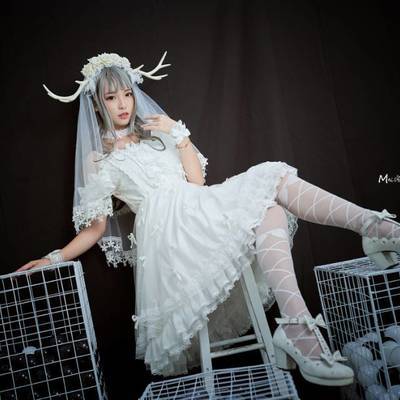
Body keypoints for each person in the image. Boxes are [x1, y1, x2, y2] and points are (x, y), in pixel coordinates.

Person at [16, 51, 400, 385]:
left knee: (272, 194)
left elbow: (196, 181)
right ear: (98, 104)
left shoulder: (156, 134)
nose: (123, 104)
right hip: (168, 232)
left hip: (194, 205)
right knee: (272, 186)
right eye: (111, 97)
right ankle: (371, 234)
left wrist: (177, 133)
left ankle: (306, 314)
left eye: (127, 94)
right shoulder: (98, 157)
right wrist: (54, 257)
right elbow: (96, 227)